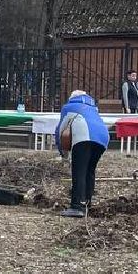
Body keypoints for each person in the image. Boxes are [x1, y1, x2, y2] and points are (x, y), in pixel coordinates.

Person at [55, 90, 109, 218]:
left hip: (84, 138)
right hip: (102, 139)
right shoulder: (93, 108)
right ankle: (87, 203)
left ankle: (77, 206)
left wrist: (62, 153)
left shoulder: (68, 107)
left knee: (79, 171)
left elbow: (61, 130)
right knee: (89, 170)